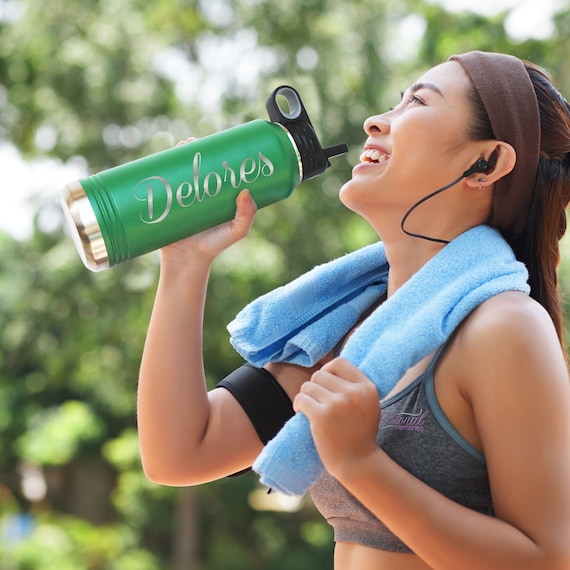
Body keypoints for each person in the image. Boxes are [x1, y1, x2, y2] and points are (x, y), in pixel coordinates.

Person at [137, 51, 570, 569]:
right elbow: (181, 452)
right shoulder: (353, 329)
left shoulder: (504, 327)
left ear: (488, 163)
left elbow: (549, 559)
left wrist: (361, 463)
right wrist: (184, 265)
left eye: (417, 101)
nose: (376, 120)